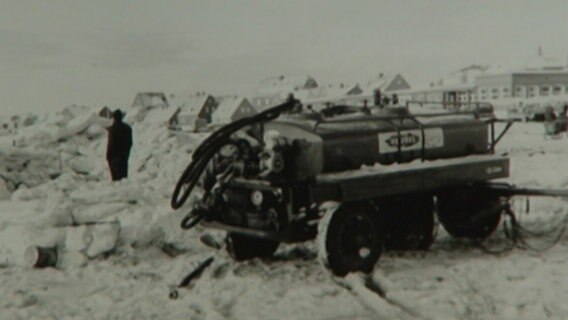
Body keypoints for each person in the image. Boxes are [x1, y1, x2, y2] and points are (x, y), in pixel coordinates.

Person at [106, 109, 132, 181]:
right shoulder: (128, 128)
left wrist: (108, 156)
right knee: (123, 179)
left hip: (114, 158)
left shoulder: (113, 129)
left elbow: (111, 144)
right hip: (124, 157)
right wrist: (126, 154)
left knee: (116, 180)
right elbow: (130, 143)